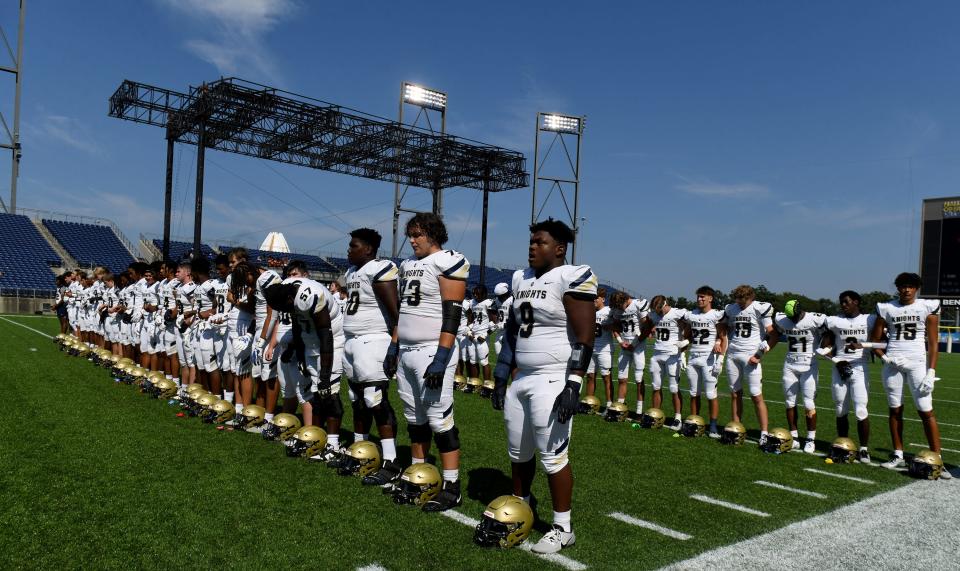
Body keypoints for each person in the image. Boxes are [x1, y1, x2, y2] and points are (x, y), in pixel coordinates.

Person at [492, 218, 597, 554]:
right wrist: (500, 374)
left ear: (560, 248)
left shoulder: (572, 276)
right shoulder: (520, 278)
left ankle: (563, 528)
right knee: (518, 454)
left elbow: (584, 336)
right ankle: (521, 511)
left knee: (553, 457)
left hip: (553, 377)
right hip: (522, 377)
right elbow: (512, 330)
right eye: (531, 241)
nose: (531, 247)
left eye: (539, 242)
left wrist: (574, 384)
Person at [386, 212, 469, 512]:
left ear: (433, 234)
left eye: (417, 234)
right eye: (411, 234)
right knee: (414, 418)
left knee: (440, 420)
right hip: (407, 349)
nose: (412, 240)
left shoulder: (448, 260)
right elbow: (403, 312)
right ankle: (418, 474)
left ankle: (451, 486)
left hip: (432, 351)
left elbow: (452, 313)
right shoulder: (407, 265)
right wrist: (393, 346)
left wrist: (442, 357)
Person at [336, 228, 402, 486]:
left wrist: (394, 345)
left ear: (369, 250)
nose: (349, 250)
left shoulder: (380, 268)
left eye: (354, 246)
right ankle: (359, 449)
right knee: (356, 399)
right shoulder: (352, 272)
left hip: (373, 340)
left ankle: (391, 460)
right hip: (352, 341)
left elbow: (396, 313)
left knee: (375, 399)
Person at [870, 272, 950, 478]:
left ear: (916, 288)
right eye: (902, 286)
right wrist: (887, 358)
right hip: (893, 364)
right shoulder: (887, 308)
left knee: (925, 410)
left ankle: (937, 458)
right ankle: (897, 454)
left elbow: (933, 344)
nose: (906, 290)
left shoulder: (926, 307)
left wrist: (931, 372)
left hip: (917, 364)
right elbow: (875, 341)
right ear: (898, 288)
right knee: (895, 409)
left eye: (910, 286)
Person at [263, 273, 338, 453]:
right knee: (314, 392)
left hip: (333, 335)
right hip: (310, 337)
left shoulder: (309, 296)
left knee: (329, 391)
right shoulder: (289, 291)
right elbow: (297, 324)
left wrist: (326, 374)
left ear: (289, 298)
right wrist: (299, 353)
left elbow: (326, 336)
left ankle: (333, 444)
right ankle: (315, 437)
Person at [820, 290, 875, 463]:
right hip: (839, 368)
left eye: (846, 302)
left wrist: (865, 345)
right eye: (841, 302)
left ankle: (864, 449)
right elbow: (823, 347)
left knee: (861, 410)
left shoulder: (870, 319)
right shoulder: (835, 321)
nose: (843, 305)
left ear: (856, 302)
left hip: (860, 367)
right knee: (840, 410)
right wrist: (837, 360)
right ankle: (843, 444)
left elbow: (883, 341)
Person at [723, 285, 777, 446]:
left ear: (750, 298)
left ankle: (764, 432)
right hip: (733, 354)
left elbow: (773, 334)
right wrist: (720, 339)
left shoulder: (759, 308)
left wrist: (760, 355)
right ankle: (736, 427)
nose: (739, 303)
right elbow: (723, 326)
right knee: (734, 393)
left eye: (742, 300)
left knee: (756, 395)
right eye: (737, 299)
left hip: (750, 355)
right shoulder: (731, 308)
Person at [772, 299, 827, 453]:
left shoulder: (815, 319)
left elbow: (828, 333)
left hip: (809, 365)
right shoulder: (782, 319)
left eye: (795, 317)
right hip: (790, 365)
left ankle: (810, 439)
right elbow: (775, 332)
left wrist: (825, 346)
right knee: (790, 403)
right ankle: (794, 437)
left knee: (809, 403)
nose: (793, 321)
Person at [683, 286, 727, 438]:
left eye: (702, 297)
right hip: (693, 357)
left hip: (709, 359)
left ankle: (713, 425)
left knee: (710, 394)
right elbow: (687, 336)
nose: (699, 299)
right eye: (698, 297)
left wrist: (720, 355)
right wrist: (683, 352)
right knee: (694, 393)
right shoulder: (692, 315)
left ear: (710, 298)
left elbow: (724, 337)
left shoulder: (716, 315)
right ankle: (694, 421)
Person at [640, 296, 690, 429]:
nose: (658, 312)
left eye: (659, 309)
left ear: (665, 304)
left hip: (672, 356)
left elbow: (692, 327)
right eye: (655, 310)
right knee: (656, 386)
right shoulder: (653, 315)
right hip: (657, 354)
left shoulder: (678, 313)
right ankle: (656, 414)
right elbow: (646, 327)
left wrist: (684, 349)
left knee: (674, 388)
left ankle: (678, 417)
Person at [609, 291, 650, 416]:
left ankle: (639, 410)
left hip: (637, 346)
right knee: (622, 378)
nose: (619, 308)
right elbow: (615, 327)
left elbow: (647, 328)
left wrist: (635, 344)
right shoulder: (617, 309)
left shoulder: (638, 304)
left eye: (620, 304)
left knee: (638, 379)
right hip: (625, 347)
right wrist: (620, 341)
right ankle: (620, 407)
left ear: (626, 299)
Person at [584, 287, 614, 410]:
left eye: (596, 297)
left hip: (605, 349)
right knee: (590, 376)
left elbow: (619, 325)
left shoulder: (609, 311)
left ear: (603, 298)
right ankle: (588, 402)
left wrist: (610, 326)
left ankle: (609, 405)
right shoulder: (590, 311)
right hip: (591, 348)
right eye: (593, 298)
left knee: (606, 377)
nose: (594, 300)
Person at [467, 284, 495, 386]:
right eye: (474, 294)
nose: (476, 296)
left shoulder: (488, 303)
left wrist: (485, 335)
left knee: (484, 362)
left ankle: (487, 385)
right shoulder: (472, 303)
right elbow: (470, 320)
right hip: (472, 336)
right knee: (472, 361)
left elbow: (494, 322)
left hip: (482, 337)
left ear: (484, 294)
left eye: (478, 294)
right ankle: (475, 384)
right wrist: (469, 331)